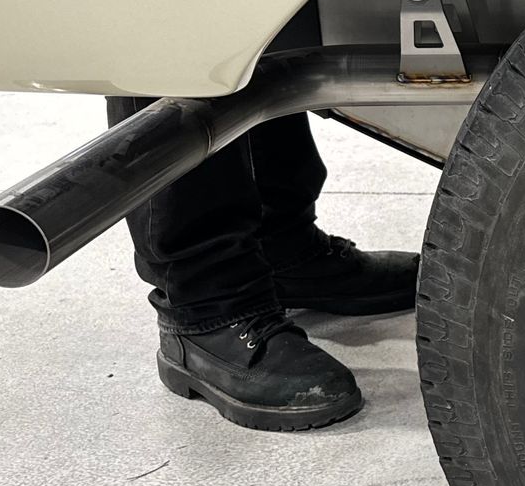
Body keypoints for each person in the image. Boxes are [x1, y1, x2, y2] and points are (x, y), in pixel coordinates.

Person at [104, 102, 417, 431]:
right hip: (206, 296)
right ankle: (207, 307)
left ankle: (284, 250)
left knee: (249, 59)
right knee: (174, 69)